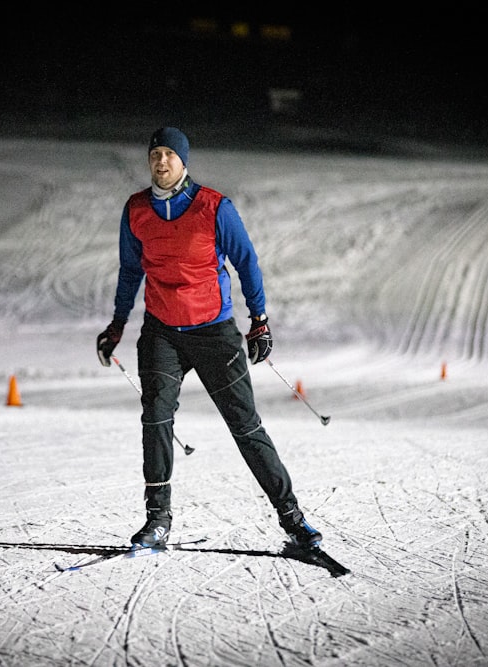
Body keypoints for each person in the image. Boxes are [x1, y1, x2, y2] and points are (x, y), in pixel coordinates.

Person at [96, 127, 322, 550]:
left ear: (184, 161)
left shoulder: (214, 207)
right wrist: (117, 324)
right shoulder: (136, 211)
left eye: (169, 155)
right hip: (162, 331)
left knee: (245, 424)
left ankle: (293, 519)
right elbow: (130, 271)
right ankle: (157, 521)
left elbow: (246, 261)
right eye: (155, 154)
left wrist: (260, 319)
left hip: (214, 332)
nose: (161, 162)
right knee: (156, 417)